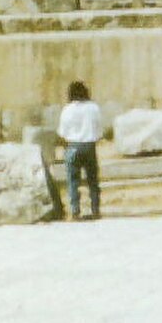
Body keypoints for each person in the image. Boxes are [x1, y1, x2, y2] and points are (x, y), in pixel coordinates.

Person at [59, 79, 103, 221]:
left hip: (73, 146)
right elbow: (99, 128)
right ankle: (95, 209)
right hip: (89, 145)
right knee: (92, 180)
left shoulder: (67, 109)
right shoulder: (93, 108)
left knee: (73, 181)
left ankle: (75, 211)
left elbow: (62, 132)